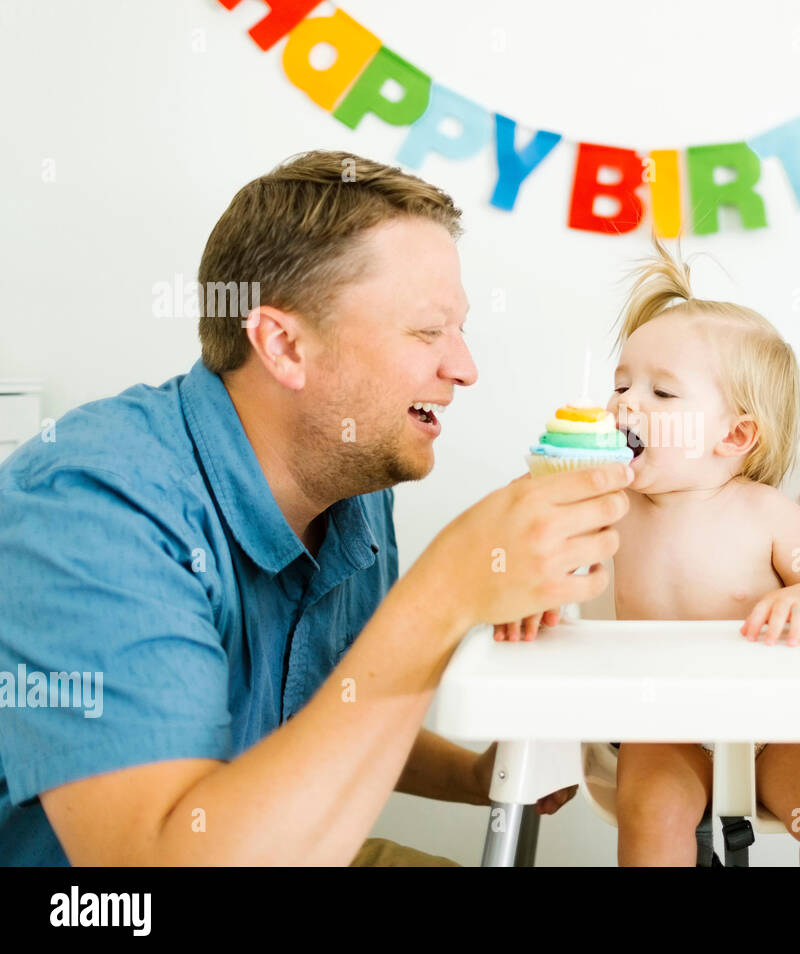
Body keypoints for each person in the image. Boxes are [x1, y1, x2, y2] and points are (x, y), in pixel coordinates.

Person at [0, 150, 631, 865]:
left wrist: (473, 777)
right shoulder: (93, 506)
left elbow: (323, 713)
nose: (464, 367)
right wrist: (445, 589)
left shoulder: (356, 485)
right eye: (427, 331)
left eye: (459, 330)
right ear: (283, 345)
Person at [503, 238, 800, 866]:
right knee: (651, 813)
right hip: (662, 722)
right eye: (621, 383)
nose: (624, 402)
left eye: (661, 394)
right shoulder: (610, 509)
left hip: (777, 725)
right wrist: (524, 585)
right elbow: (550, 567)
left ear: (734, 434)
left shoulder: (768, 514)